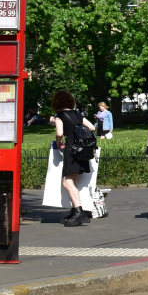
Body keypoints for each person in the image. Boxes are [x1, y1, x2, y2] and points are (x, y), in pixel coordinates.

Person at [52, 90, 98, 227]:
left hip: (71, 152)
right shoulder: (77, 114)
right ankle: (74, 210)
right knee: (73, 181)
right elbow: (92, 127)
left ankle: (79, 212)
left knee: (67, 183)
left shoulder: (60, 116)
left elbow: (60, 132)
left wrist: (59, 141)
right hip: (82, 152)